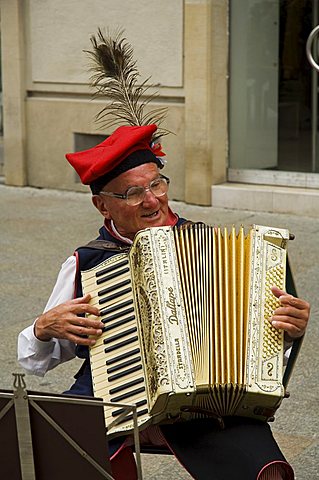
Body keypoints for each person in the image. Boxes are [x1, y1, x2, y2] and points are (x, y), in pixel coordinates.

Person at [18, 124, 310, 480]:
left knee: (264, 471)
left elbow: (252, 345)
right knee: (56, 450)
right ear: (102, 206)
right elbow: (34, 360)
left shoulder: (209, 246)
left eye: (157, 184)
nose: (153, 199)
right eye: (132, 193)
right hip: (116, 397)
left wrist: (288, 332)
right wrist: (43, 328)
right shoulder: (88, 262)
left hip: (201, 405)